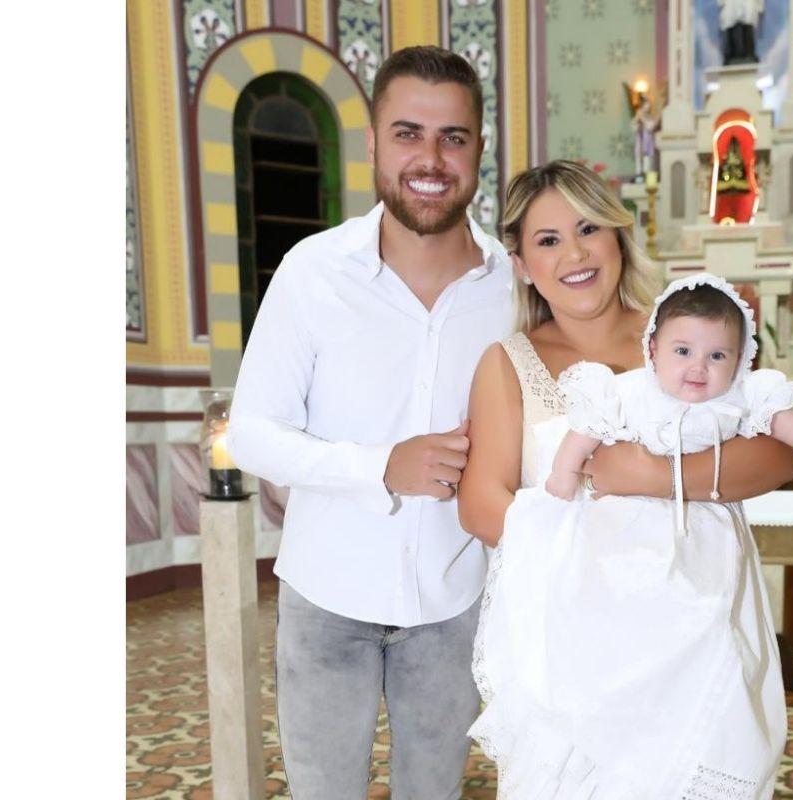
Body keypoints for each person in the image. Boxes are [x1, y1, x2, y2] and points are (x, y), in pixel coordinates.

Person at [457, 160, 793, 799]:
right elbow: (480, 503)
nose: (575, 254)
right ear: (522, 264)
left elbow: (780, 456)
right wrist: (602, 567)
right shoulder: (508, 363)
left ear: (619, 236)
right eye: (548, 240)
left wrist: (653, 475)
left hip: (695, 627)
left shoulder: (691, 334)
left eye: (589, 228)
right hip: (578, 641)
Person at [225, 46, 512, 799]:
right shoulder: (313, 270)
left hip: (455, 601)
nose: (431, 159)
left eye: (453, 137)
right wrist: (380, 466)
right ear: (374, 143)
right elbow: (253, 430)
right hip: (327, 598)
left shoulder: (514, 288)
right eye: (408, 133)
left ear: (479, 148)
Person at [545, 273, 793, 503]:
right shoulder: (635, 390)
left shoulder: (738, 395)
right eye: (683, 352)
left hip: (710, 512)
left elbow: (777, 416)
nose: (699, 367)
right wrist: (565, 470)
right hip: (637, 508)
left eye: (717, 356)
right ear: (654, 350)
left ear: (737, 360)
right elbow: (588, 426)